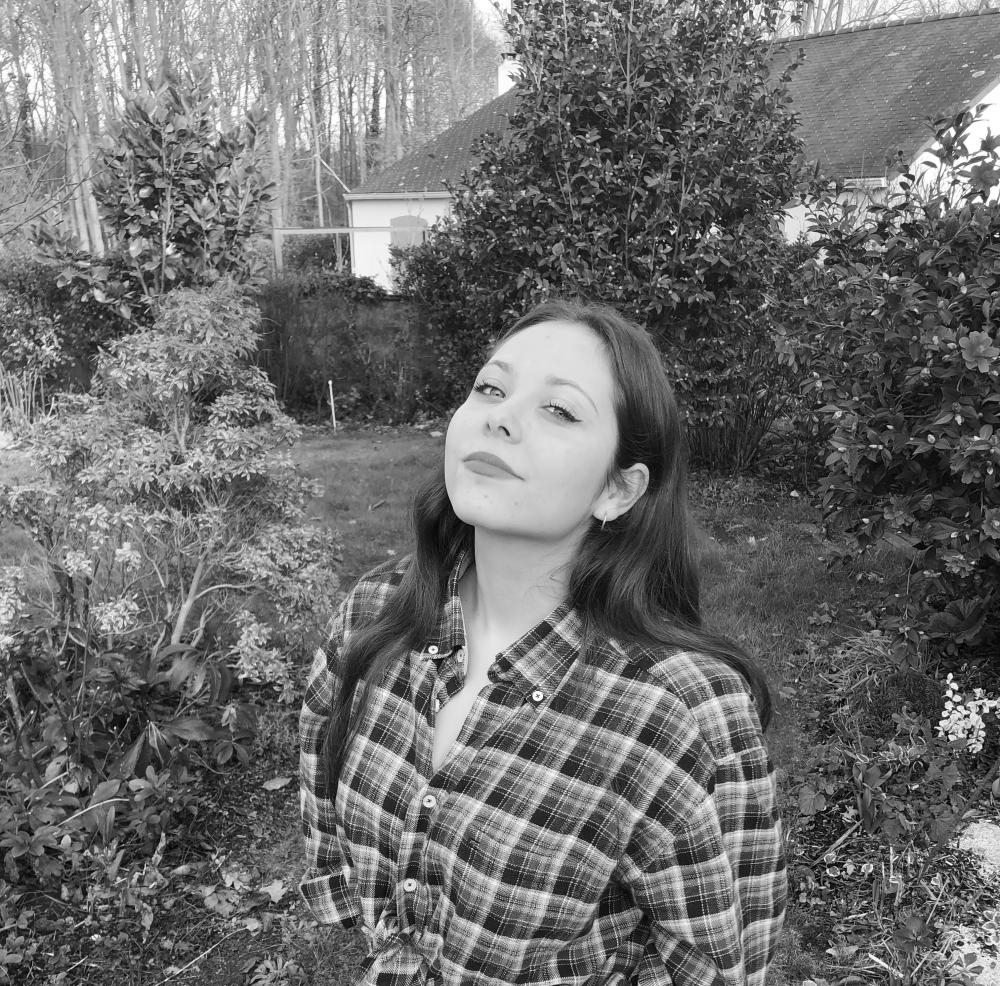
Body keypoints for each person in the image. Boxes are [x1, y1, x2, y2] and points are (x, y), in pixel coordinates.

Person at [299, 301, 786, 986]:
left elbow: (716, 966)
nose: (500, 418)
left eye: (559, 410)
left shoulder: (678, 714)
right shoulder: (373, 614)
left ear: (618, 490)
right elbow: (321, 772)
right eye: (490, 388)